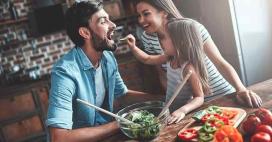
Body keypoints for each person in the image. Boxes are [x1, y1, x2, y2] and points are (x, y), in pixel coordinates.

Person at [126, 0, 262, 121]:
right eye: (139, 15)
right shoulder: (147, 38)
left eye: (146, 14)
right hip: (192, 107)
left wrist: (241, 89)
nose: (141, 20)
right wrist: (177, 104)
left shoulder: (192, 29)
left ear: (164, 12)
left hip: (221, 96)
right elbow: (163, 74)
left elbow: (220, 62)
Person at [46, 1, 161, 142]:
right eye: (103, 21)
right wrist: (121, 123)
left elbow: (122, 95)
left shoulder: (107, 57)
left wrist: (162, 100)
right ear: (85, 32)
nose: (113, 25)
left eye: (109, 19)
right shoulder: (65, 73)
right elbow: (58, 138)